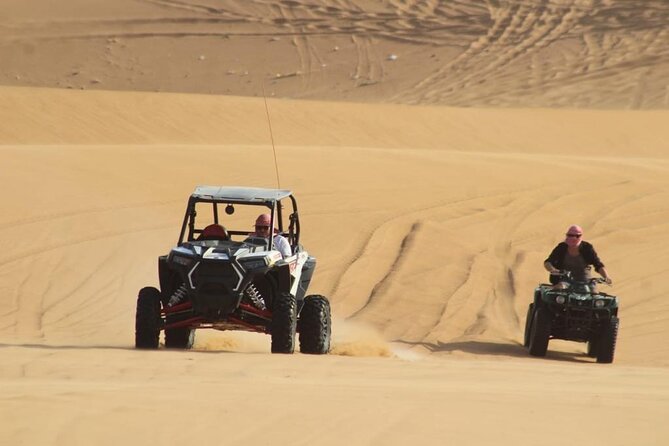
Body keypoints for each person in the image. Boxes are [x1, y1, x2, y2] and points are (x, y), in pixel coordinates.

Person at [544, 224, 612, 285]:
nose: (573, 238)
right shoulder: (562, 247)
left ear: (580, 236)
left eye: (576, 236)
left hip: (585, 281)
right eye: (570, 235)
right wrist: (554, 270)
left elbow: (598, 264)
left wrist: (606, 277)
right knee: (561, 288)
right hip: (565, 279)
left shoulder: (587, 248)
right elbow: (548, 262)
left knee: (594, 294)